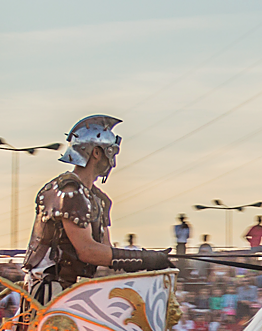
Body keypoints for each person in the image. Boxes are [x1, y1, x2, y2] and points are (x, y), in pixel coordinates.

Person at [23, 115, 170, 304]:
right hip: (51, 291)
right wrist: (143, 259)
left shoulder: (99, 199)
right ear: (97, 153)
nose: (113, 162)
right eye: (111, 153)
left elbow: (104, 252)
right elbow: (87, 251)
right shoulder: (68, 190)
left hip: (79, 290)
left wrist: (148, 261)